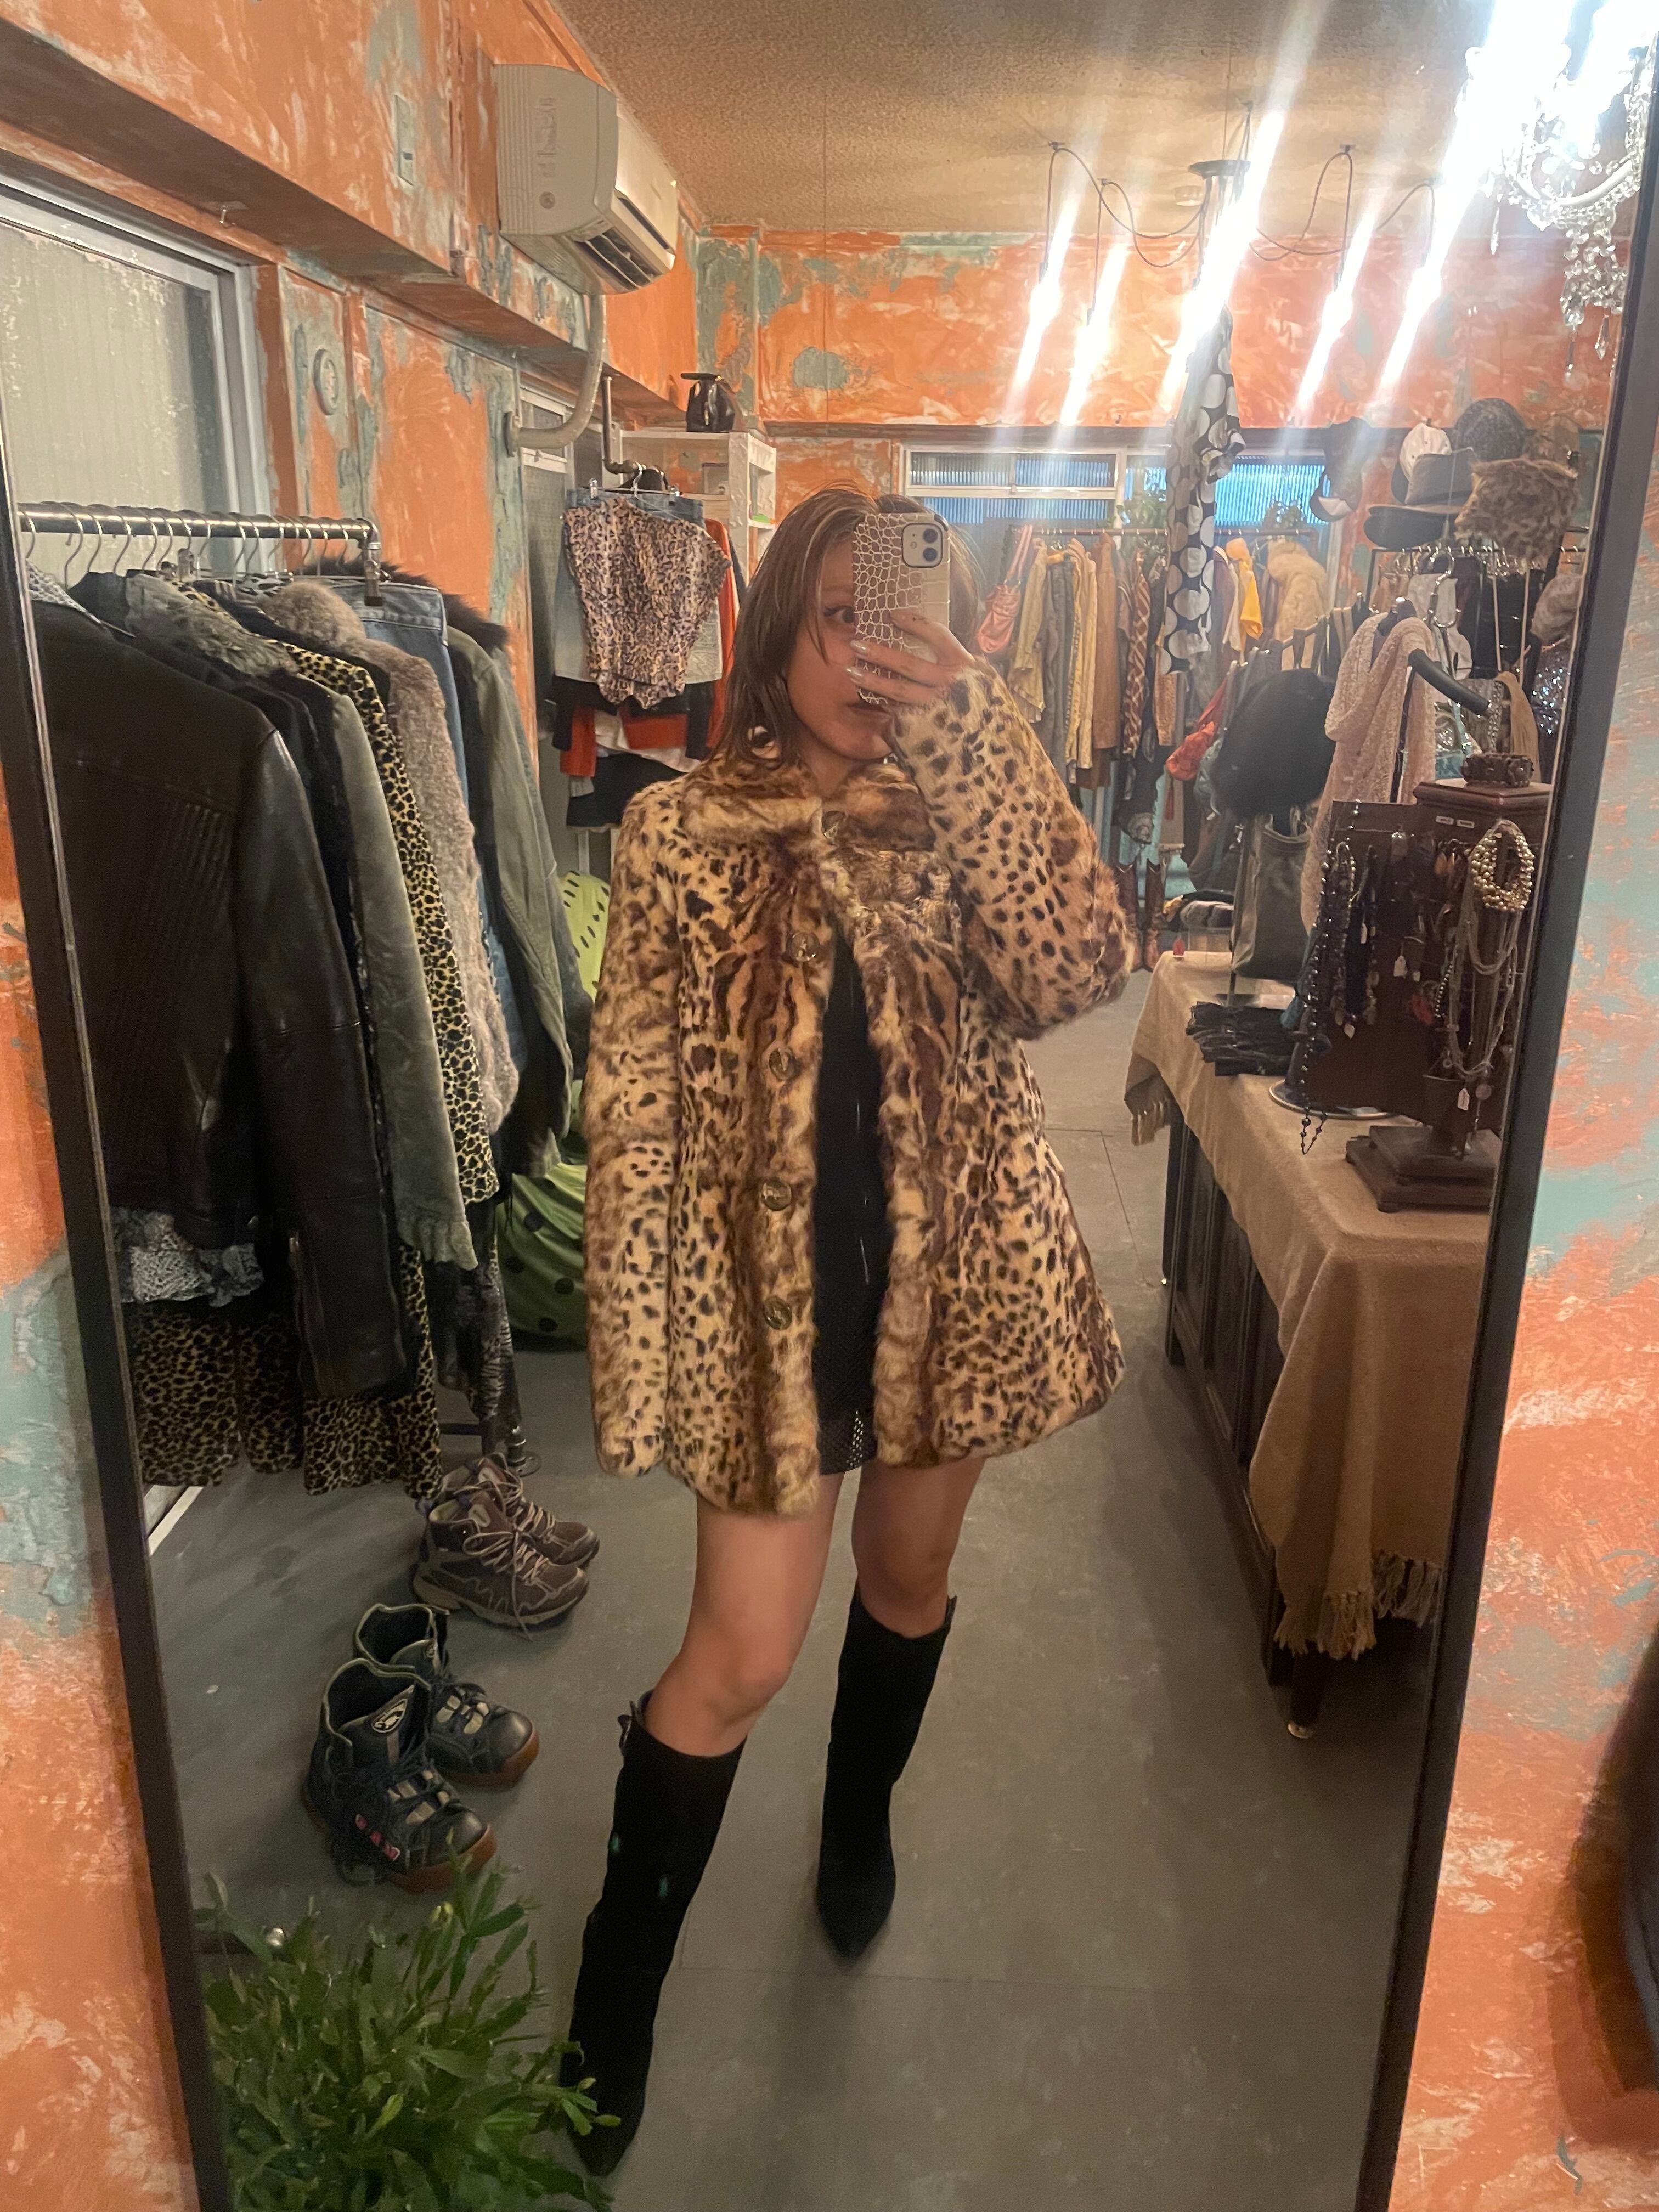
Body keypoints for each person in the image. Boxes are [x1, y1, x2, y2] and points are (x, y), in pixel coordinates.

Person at [562, 486, 1135, 2170]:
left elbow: (1081, 965)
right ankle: (615, 1991)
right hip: (765, 1311)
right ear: (778, 634)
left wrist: (976, 734)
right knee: (736, 1657)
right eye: (840, 620)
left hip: (952, 1291)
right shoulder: (678, 832)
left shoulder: (960, 795)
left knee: (908, 1580)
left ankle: (859, 1815)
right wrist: (641, 1348)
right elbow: (637, 1112)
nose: (869, 655)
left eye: (901, 621)